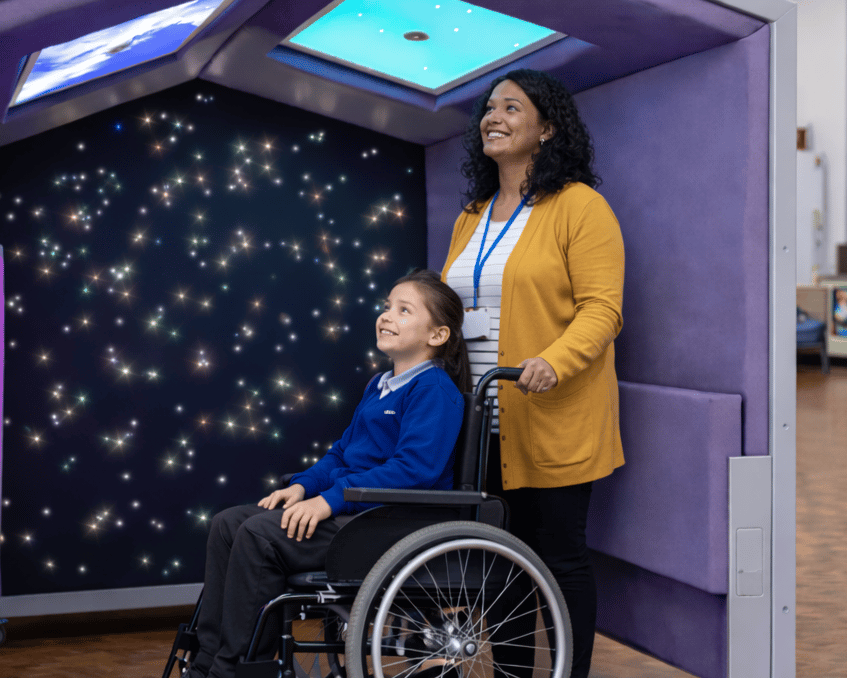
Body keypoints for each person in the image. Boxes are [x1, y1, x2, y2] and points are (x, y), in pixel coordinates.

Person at [185, 269, 470, 678]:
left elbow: (413, 471)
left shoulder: (433, 390)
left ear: (438, 335)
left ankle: (236, 670)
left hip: (389, 522)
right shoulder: (380, 386)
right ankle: (205, 662)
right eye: (387, 306)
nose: (387, 316)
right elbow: (342, 454)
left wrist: (330, 500)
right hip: (357, 512)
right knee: (228, 524)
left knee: (260, 537)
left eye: (404, 310)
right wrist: (305, 486)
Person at [441, 68, 625, 678]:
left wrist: (554, 361)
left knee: (560, 559)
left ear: (546, 128)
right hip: (480, 420)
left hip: (551, 414)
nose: (493, 117)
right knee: (500, 561)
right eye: (489, 108)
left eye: (511, 108)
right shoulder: (472, 215)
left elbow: (603, 310)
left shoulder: (580, 207)